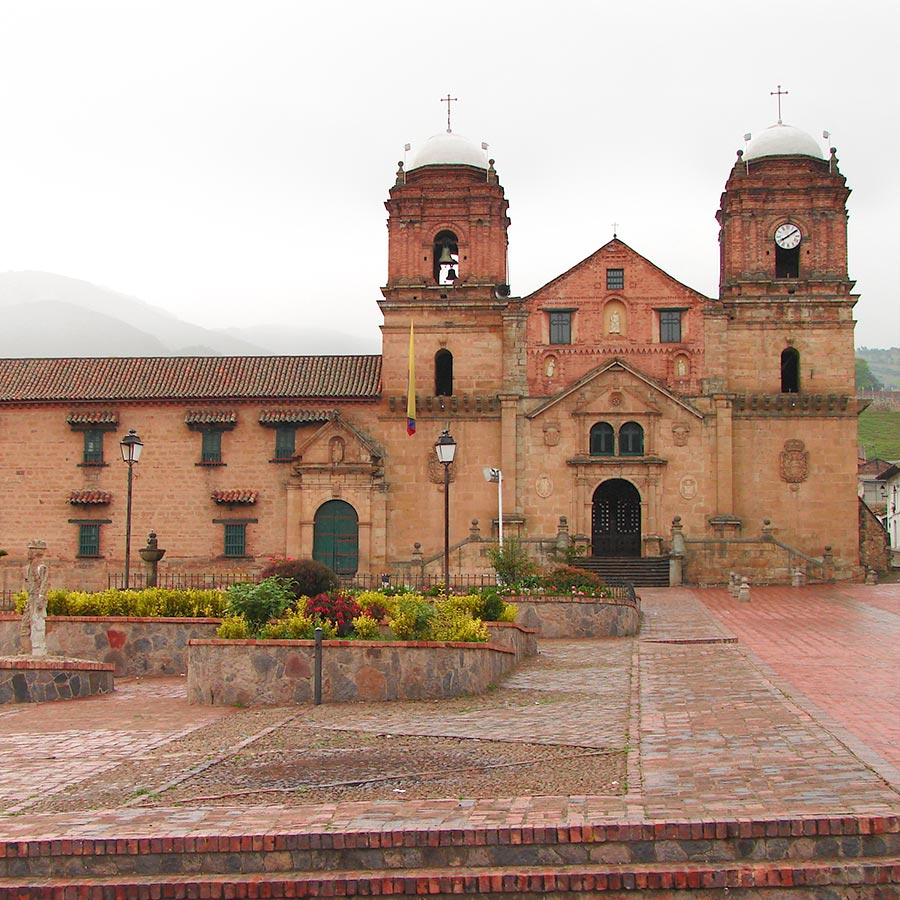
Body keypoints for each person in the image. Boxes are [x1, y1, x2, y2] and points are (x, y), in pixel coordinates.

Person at [20, 539, 49, 657]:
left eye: (31, 550)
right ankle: (26, 650)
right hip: (30, 599)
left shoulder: (41, 567)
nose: (28, 553)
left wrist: (41, 598)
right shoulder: (27, 568)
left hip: (37, 599)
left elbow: (45, 583)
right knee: (24, 625)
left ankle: (38, 650)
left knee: (38, 625)